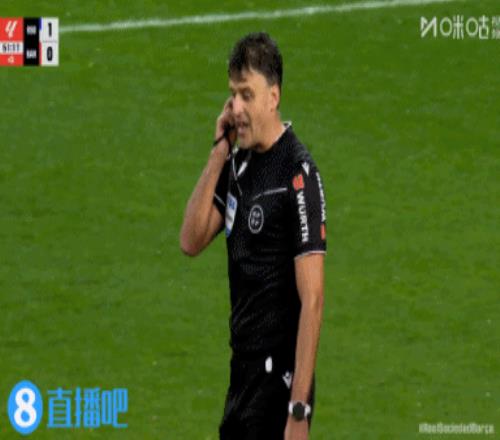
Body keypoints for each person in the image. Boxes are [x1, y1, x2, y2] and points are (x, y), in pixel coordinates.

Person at [180, 32, 326, 440]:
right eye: (233, 95)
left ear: (273, 97)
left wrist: (299, 409)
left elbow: (313, 299)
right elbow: (190, 240)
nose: (237, 108)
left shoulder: (297, 174)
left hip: (277, 381)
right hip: (242, 374)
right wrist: (219, 151)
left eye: (247, 94)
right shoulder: (238, 164)